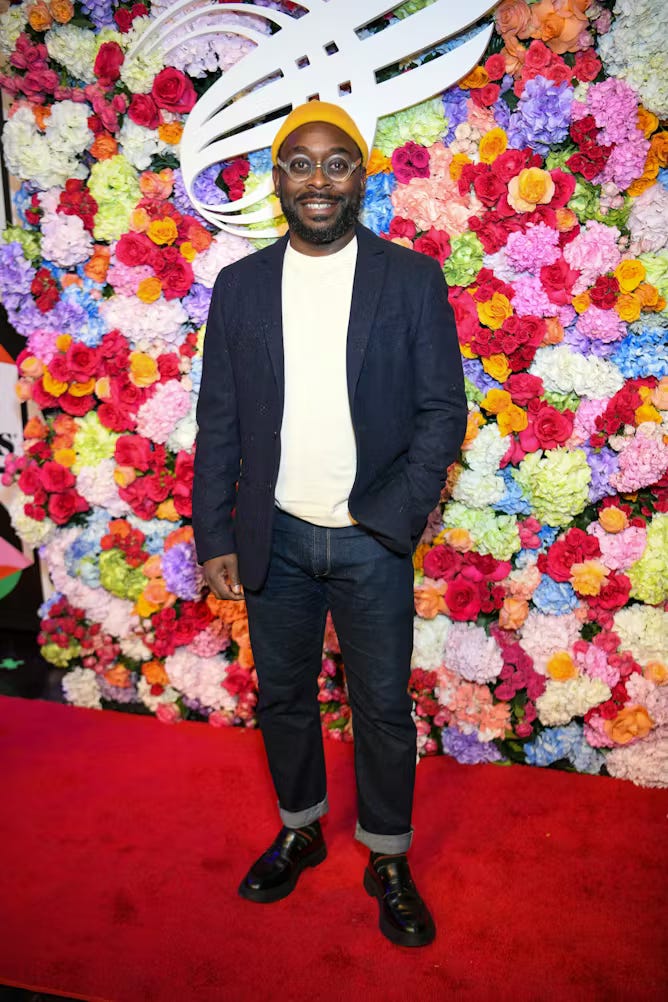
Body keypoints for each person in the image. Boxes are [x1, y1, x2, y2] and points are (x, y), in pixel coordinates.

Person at [193, 100, 467, 948]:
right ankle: (301, 827)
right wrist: (217, 536)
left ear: (361, 176)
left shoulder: (410, 279)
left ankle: (387, 855)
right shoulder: (239, 287)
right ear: (277, 178)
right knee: (282, 699)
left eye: (336, 163)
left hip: (367, 543)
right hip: (272, 535)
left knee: (382, 707)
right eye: (300, 163)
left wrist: (390, 519)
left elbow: (442, 412)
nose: (319, 180)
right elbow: (221, 423)